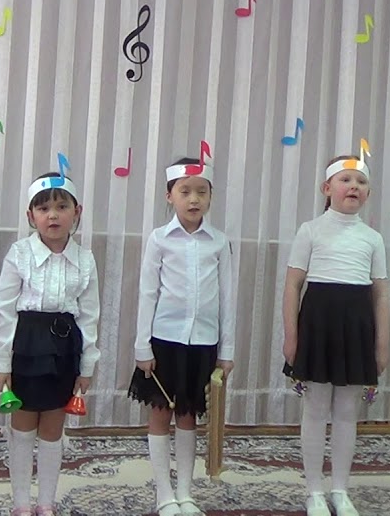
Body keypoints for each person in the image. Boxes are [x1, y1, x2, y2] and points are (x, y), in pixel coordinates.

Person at [282, 151, 390, 516]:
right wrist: (291, 336)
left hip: (356, 326)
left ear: (368, 193)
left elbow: (381, 293)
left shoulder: (372, 238)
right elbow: (293, 285)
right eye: (345, 180)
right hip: (318, 324)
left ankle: (340, 490)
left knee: (346, 410)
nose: (353, 186)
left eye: (361, 182)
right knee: (315, 408)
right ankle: (314, 490)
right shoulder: (310, 230)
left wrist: (382, 343)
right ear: (326, 188)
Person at [128, 154, 236, 516]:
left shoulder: (218, 242)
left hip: (202, 342)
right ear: (169, 195)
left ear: (211, 197)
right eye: (185, 191)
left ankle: (186, 493)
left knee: (188, 417)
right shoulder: (159, 239)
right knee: (161, 414)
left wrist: (227, 349)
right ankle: (164, 494)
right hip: (164, 341)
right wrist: (142, 345)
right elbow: (148, 293)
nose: (194, 199)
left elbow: (227, 297)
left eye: (202, 192)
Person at [0, 169, 100, 516]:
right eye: (43, 208)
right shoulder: (19, 253)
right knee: (23, 427)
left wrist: (87, 366)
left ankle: (46, 502)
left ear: (76, 212)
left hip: (64, 349)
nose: (53, 215)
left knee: (53, 428)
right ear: (31, 215)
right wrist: (1, 361)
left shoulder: (85, 259)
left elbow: (90, 316)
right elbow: (5, 310)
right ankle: (22, 503)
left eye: (61, 207)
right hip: (26, 346)